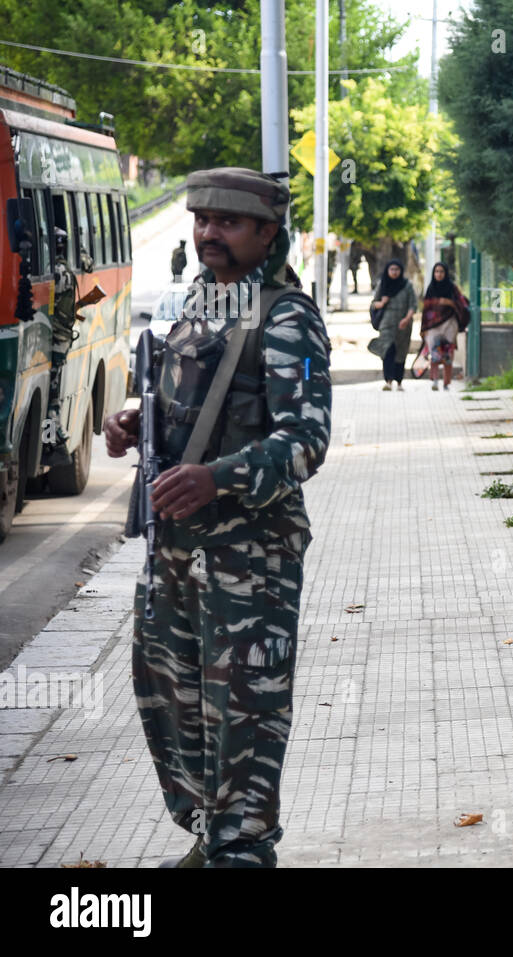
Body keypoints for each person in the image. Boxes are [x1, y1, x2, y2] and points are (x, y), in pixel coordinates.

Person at [103, 166, 332, 867]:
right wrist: (137, 423)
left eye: (227, 222)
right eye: (201, 218)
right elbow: (193, 402)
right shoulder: (202, 300)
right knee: (172, 698)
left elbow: (305, 441)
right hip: (175, 549)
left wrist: (217, 478)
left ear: (268, 231)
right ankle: (211, 832)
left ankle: (244, 846)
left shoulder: (287, 315)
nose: (208, 232)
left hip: (249, 557)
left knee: (243, 708)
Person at [44, 227, 91, 457]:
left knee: (50, 397)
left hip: (53, 341)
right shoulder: (67, 270)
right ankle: (54, 439)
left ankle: (51, 442)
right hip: (62, 341)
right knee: (53, 394)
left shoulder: (55, 271)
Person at [419, 262, 468, 391]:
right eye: (436, 272)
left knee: (447, 354)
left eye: (441, 272)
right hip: (433, 327)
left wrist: (450, 303)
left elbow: (462, 304)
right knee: (434, 354)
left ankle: (446, 382)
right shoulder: (431, 288)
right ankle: (435, 381)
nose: (439, 274)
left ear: (445, 273)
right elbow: (426, 308)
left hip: (449, 325)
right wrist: (424, 328)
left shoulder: (452, 288)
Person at [369, 259, 416, 391]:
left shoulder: (407, 285)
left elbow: (413, 304)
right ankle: (388, 381)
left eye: (397, 270)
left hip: (403, 325)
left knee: (401, 352)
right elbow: (374, 304)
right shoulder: (383, 284)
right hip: (387, 323)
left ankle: (399, 381)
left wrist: (407, 318)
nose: (394, 272)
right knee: (388, 351)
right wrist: (382, 303)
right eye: (392, 270)